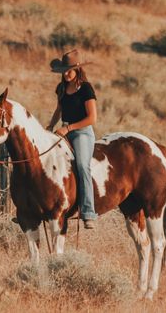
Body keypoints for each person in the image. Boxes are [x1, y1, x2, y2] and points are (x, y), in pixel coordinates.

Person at [47, 49, 98, 229]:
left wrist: (68, 128)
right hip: (63, 131)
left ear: (78, 69)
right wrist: (50, 127)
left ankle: (88, 212)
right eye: (64, 71)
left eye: (69, 70)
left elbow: (92, 118)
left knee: (82, 165)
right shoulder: (61, 88)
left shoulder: (85, 88)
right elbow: (59, 110)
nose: (66, 74)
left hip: (82, 132)